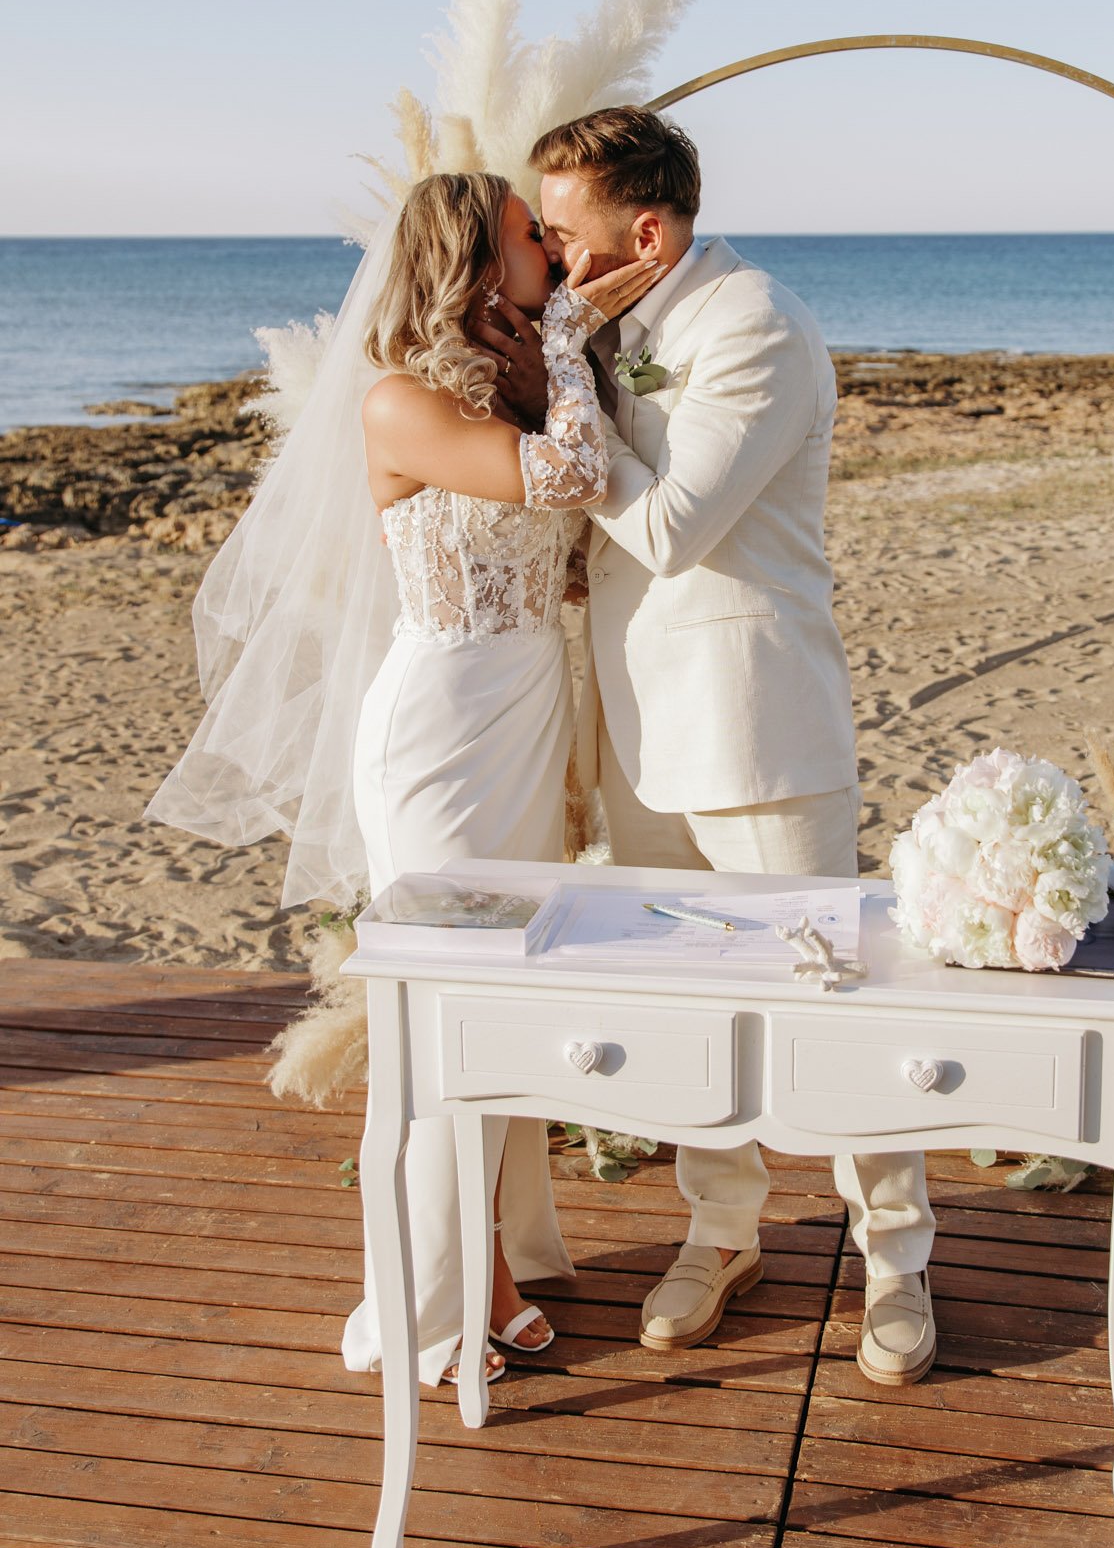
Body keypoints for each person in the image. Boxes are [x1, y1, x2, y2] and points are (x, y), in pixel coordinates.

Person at [150, 168, 660, 1388]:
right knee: (448, 1013)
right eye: (530, 236)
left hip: (528, 713)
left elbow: (570, 543)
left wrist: (563, 353)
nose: (553, 248)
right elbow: (574, 479)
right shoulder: (396, 402)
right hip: (440, 733)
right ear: (479, 261)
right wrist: (582, 340)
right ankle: (439, 1289)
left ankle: (489, 1254)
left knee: (509, 1004)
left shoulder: (506, 385)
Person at [485, 108, 937, 1386]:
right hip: (639, 715)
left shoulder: (754, 323)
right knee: (684, 996)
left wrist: (569, 364)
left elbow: (674, 525)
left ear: (645, 227)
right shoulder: (617, 319)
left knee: (836, 998)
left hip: (758, 715)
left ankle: (896, 1255)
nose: (554, 260)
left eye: (562, 235)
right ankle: (721, 1229)